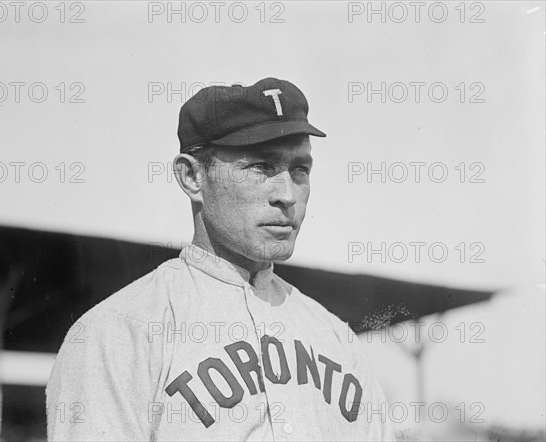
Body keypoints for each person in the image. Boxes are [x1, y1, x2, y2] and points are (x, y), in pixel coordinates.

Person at [46, 77, 394, 441]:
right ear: (192, 176)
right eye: (261, 167)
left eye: (299, 170)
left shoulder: (336, 338)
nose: (287, 195)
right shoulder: (120, 332)